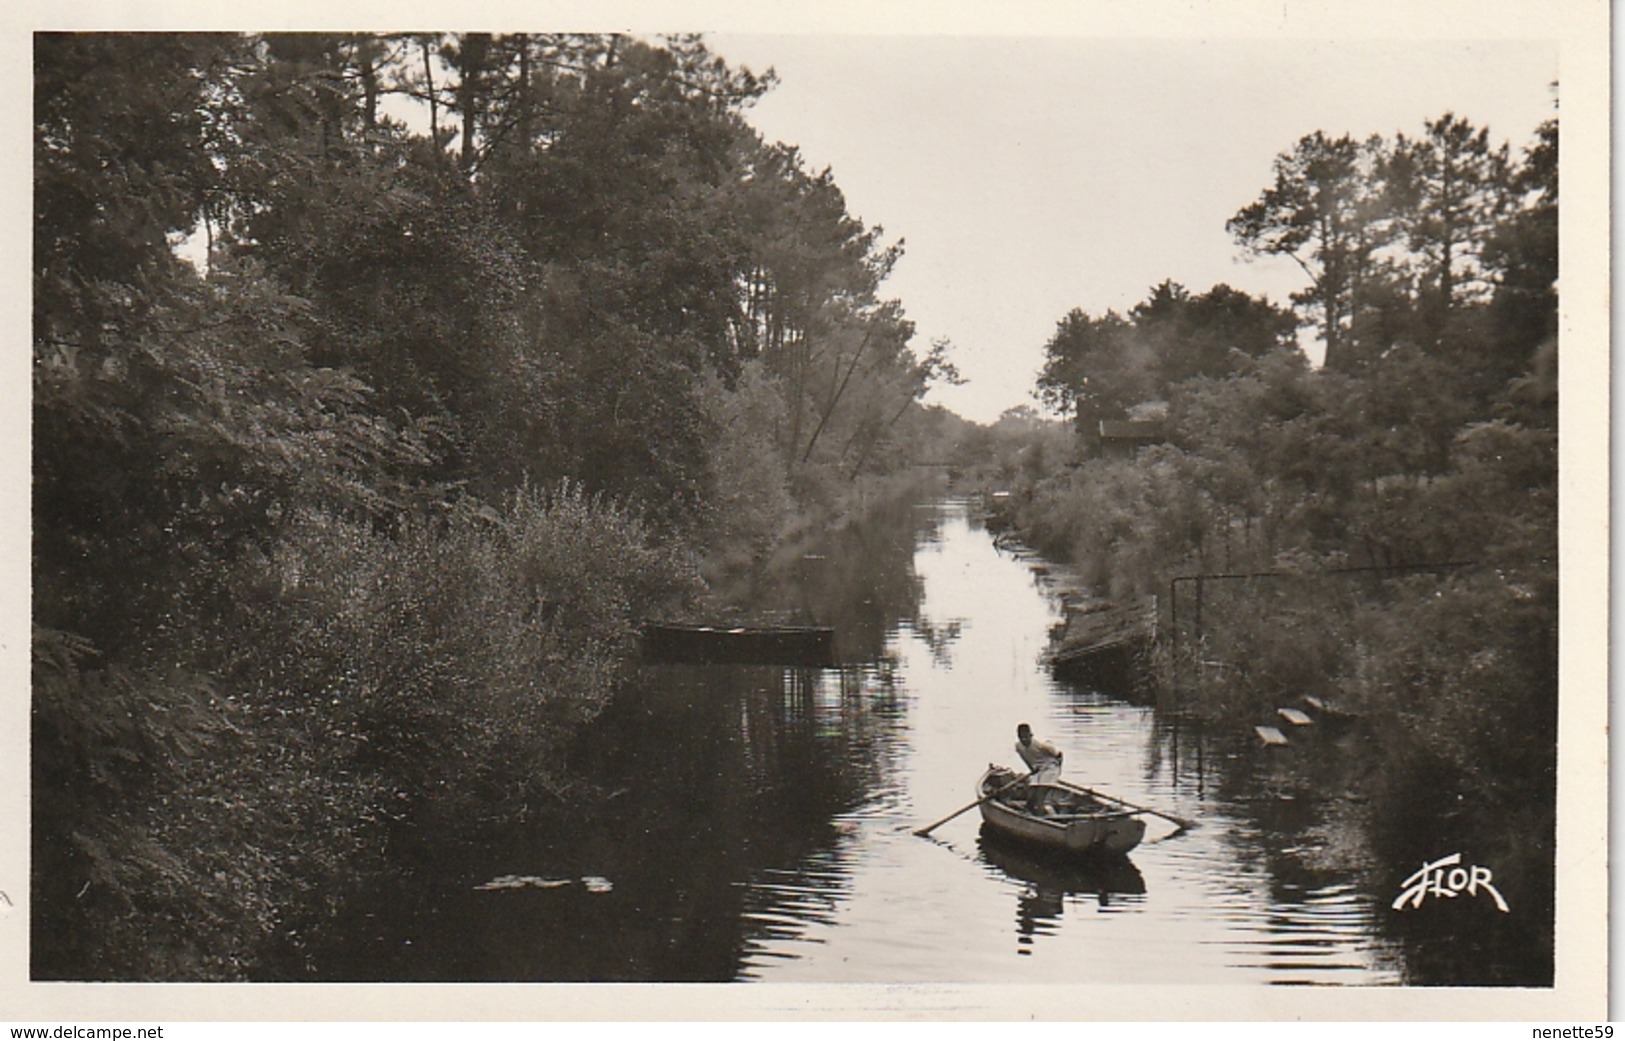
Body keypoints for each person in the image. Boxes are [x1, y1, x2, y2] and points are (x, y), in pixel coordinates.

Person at [1015, 722, 1063, 815]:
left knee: (1040, 796)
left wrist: (1058, 770)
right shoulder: (1018, 746)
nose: (1024, 740)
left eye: (1026, 737)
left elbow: (1059, 755)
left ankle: (1041, 818)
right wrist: (1031, 769)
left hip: (1050, 769)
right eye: (1021, 738)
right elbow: (1025, 759)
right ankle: (1030, 812)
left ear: (1030, 735)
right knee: (1031, 795)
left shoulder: (1042, 745)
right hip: (1037, 770)